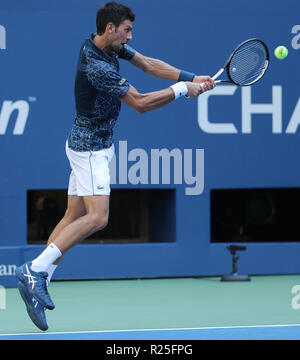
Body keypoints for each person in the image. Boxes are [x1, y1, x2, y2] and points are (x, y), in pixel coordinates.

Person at [16, 1, 216, 331]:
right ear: (111, 28)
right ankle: (34, 271)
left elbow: (149, 65)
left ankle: (41, 277)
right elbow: (139, 103)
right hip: (90, 149)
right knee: (97, 217)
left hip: (91, 144)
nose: (130, 36)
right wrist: (182, 90)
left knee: (73, 216)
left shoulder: (106, 45)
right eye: (126, 31)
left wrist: (191, 77)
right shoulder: (98, 66)